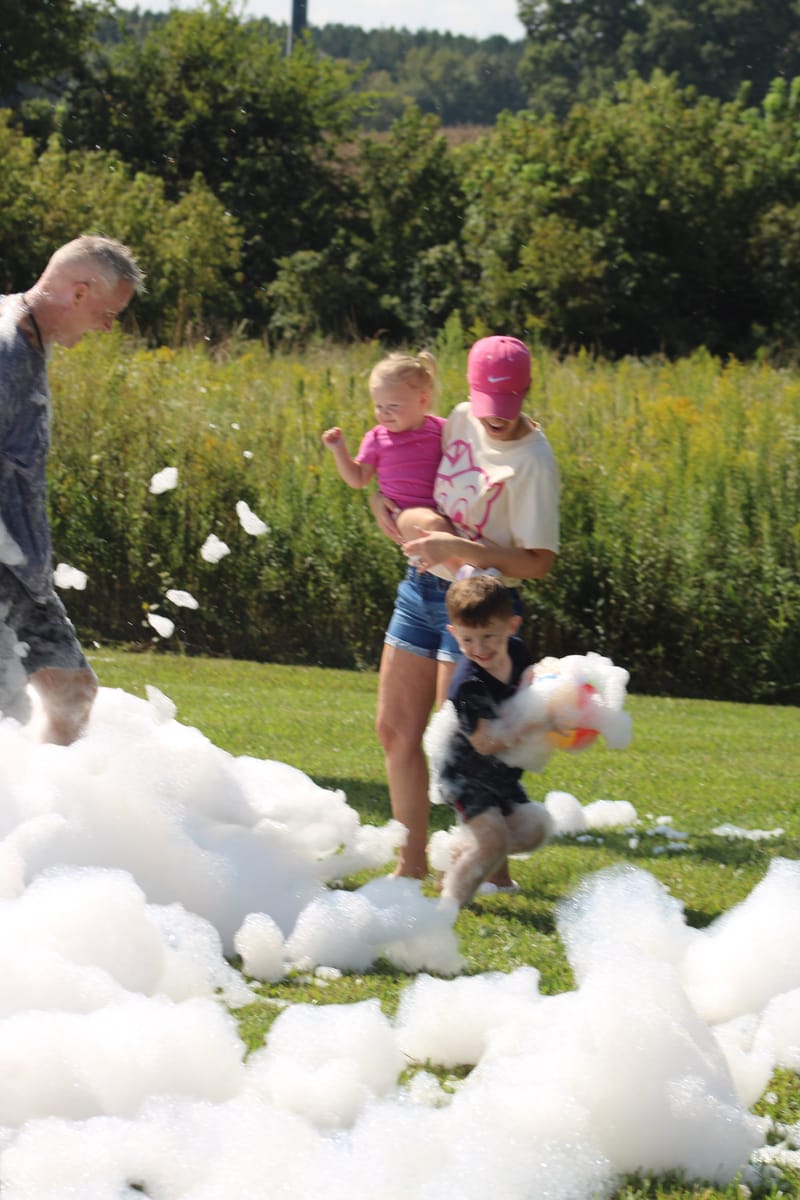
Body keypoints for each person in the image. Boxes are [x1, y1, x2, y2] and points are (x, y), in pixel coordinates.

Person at [371, 334, 560, 883]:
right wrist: (391, 505)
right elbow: (415, 482)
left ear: (526, 392)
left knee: (466, 739)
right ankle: (410, 868)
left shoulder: (534, 461)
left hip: (482, 608)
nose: (494, 421)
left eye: (507, 407)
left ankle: (491, 866)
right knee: (394, 728)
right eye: (486, 408)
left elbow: (538, 561)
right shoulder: (456, 419)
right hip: (421, 587)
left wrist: (459, 550)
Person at [0, 235, 145, 744]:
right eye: (108, 312)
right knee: (6, 720)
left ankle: (46, 816)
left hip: (21, 572)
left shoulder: (29, 339)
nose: (107, 326)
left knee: (74, 691)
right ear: (80, 292)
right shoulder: (6, 346)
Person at [436, 574, 553, 907]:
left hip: (501, 773)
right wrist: (533, 725)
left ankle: (458, 856)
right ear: (454, 633)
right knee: (492, 843)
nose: (480, 649)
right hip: (465, 776)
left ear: (512, 626)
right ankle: (448, 908)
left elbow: (529, 681)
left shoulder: (516, 651)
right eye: (468, 639)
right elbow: (484, 742)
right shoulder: (469, 685)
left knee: (533, 831)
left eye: (489, 636)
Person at [322, 350, 464, 573]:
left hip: (444, 513)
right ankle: (463, 574)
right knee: (432, 547)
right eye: (379, 406)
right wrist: (339, 450)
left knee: (440, 546)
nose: (384, 413)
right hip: (404, 518)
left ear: (423, 401)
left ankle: (462, 574)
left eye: (393, 406)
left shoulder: (441, 429)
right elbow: (358, 479)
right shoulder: (377, 438)